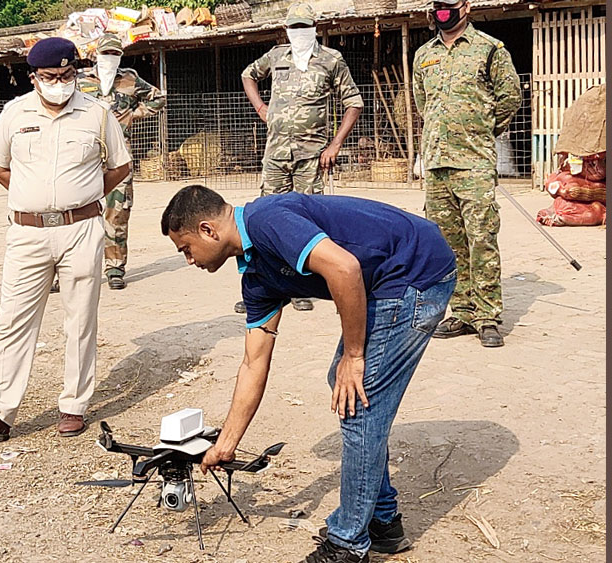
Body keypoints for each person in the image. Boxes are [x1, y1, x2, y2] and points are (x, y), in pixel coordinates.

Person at [161, 185, 456, 563]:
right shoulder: (256, 277)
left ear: (207, 230)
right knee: (346, 389)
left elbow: (344, 267)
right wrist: (227, 443)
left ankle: (348, 545)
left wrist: (354, 354)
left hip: (414, 270)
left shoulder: (266, 220)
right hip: (387, 280)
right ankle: (382, 522)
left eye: (185, 249)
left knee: (359, 400)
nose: (188, 260)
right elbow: (254, 362)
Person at [0, 38, 132, 442]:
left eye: (68, 75)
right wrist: (32, 198)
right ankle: (0, 412)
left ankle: (73, 406)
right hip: (27, 233)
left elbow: (119, 166)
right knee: (13, 318)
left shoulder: (97, 113)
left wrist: (82, 195)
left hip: (81, 229)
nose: (60, 83)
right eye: (51, 77)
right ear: (34, 77)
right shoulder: (14, 113)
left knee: (80, 319)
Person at [237, 2, 363, 313]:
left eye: (303, 27)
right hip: (277, 153)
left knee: (306, 221)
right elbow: (248, 75)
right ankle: (264, 283)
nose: (298, 33)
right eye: (293, 28)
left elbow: (354, 102)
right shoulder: (277, 55)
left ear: (314, 29)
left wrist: (335, 145)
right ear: (286, 30)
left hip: (312, 156)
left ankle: (301, 286)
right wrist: (260, 107)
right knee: (263, 216)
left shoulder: (331, 60)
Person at [413, 0, 520, 348]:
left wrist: (482, 131)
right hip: (436, 163)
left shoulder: (489, 50)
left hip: (473, 162)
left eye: (449, 5)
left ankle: (487, 315)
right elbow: (422, 103)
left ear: (466, 7)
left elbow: (509, 96)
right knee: (448, 243)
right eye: (438, 6)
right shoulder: (423, 55)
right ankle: (460, 310)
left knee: (482, 238)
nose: (443, 11)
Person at [69, 33, 166, 291]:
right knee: (76, 213)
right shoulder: (81, 81)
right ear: (96, 55)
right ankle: (71, 270)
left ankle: (115, 268)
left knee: (118, 212)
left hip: (118, 157)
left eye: (115, 54)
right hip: (84, 157)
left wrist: (133, 114)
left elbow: (157, 98)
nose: (110, 58)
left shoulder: (130, 79)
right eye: (106, 54)